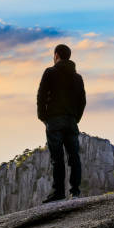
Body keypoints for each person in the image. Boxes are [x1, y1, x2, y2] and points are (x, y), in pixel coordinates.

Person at [37, 44, 86, 203]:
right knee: (74, 157)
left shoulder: (50, 72)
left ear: (56, 55)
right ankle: (75, 191)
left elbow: (41, 96)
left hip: (54, 121)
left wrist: (43, 117)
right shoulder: (77, 77)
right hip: (71, 121)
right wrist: (75, 118)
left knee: (57, 158)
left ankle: (58, 192)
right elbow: (82, 101)